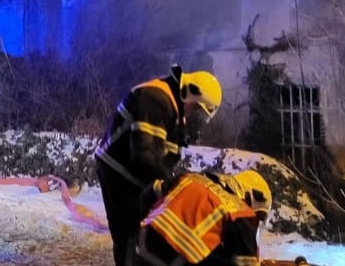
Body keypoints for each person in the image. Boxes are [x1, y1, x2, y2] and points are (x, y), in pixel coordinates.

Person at [95, 65, 223, 266]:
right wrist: (174, 183)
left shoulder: (173, 105)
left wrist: (172, 180)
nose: (194, 114)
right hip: (117, 171)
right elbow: (145, 155)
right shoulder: (155, 98)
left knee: (143, 227)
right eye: (197, 108)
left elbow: (163, 155)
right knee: (127, 230)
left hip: (133, 172)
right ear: (189, 93)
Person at [135, 169, 272, 266]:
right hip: (176, 259)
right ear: (250, 197)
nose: (254, 219)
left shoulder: (189, 178)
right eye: (258, 215)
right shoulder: (239, 211)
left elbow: (147, 195)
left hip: (143, 243)